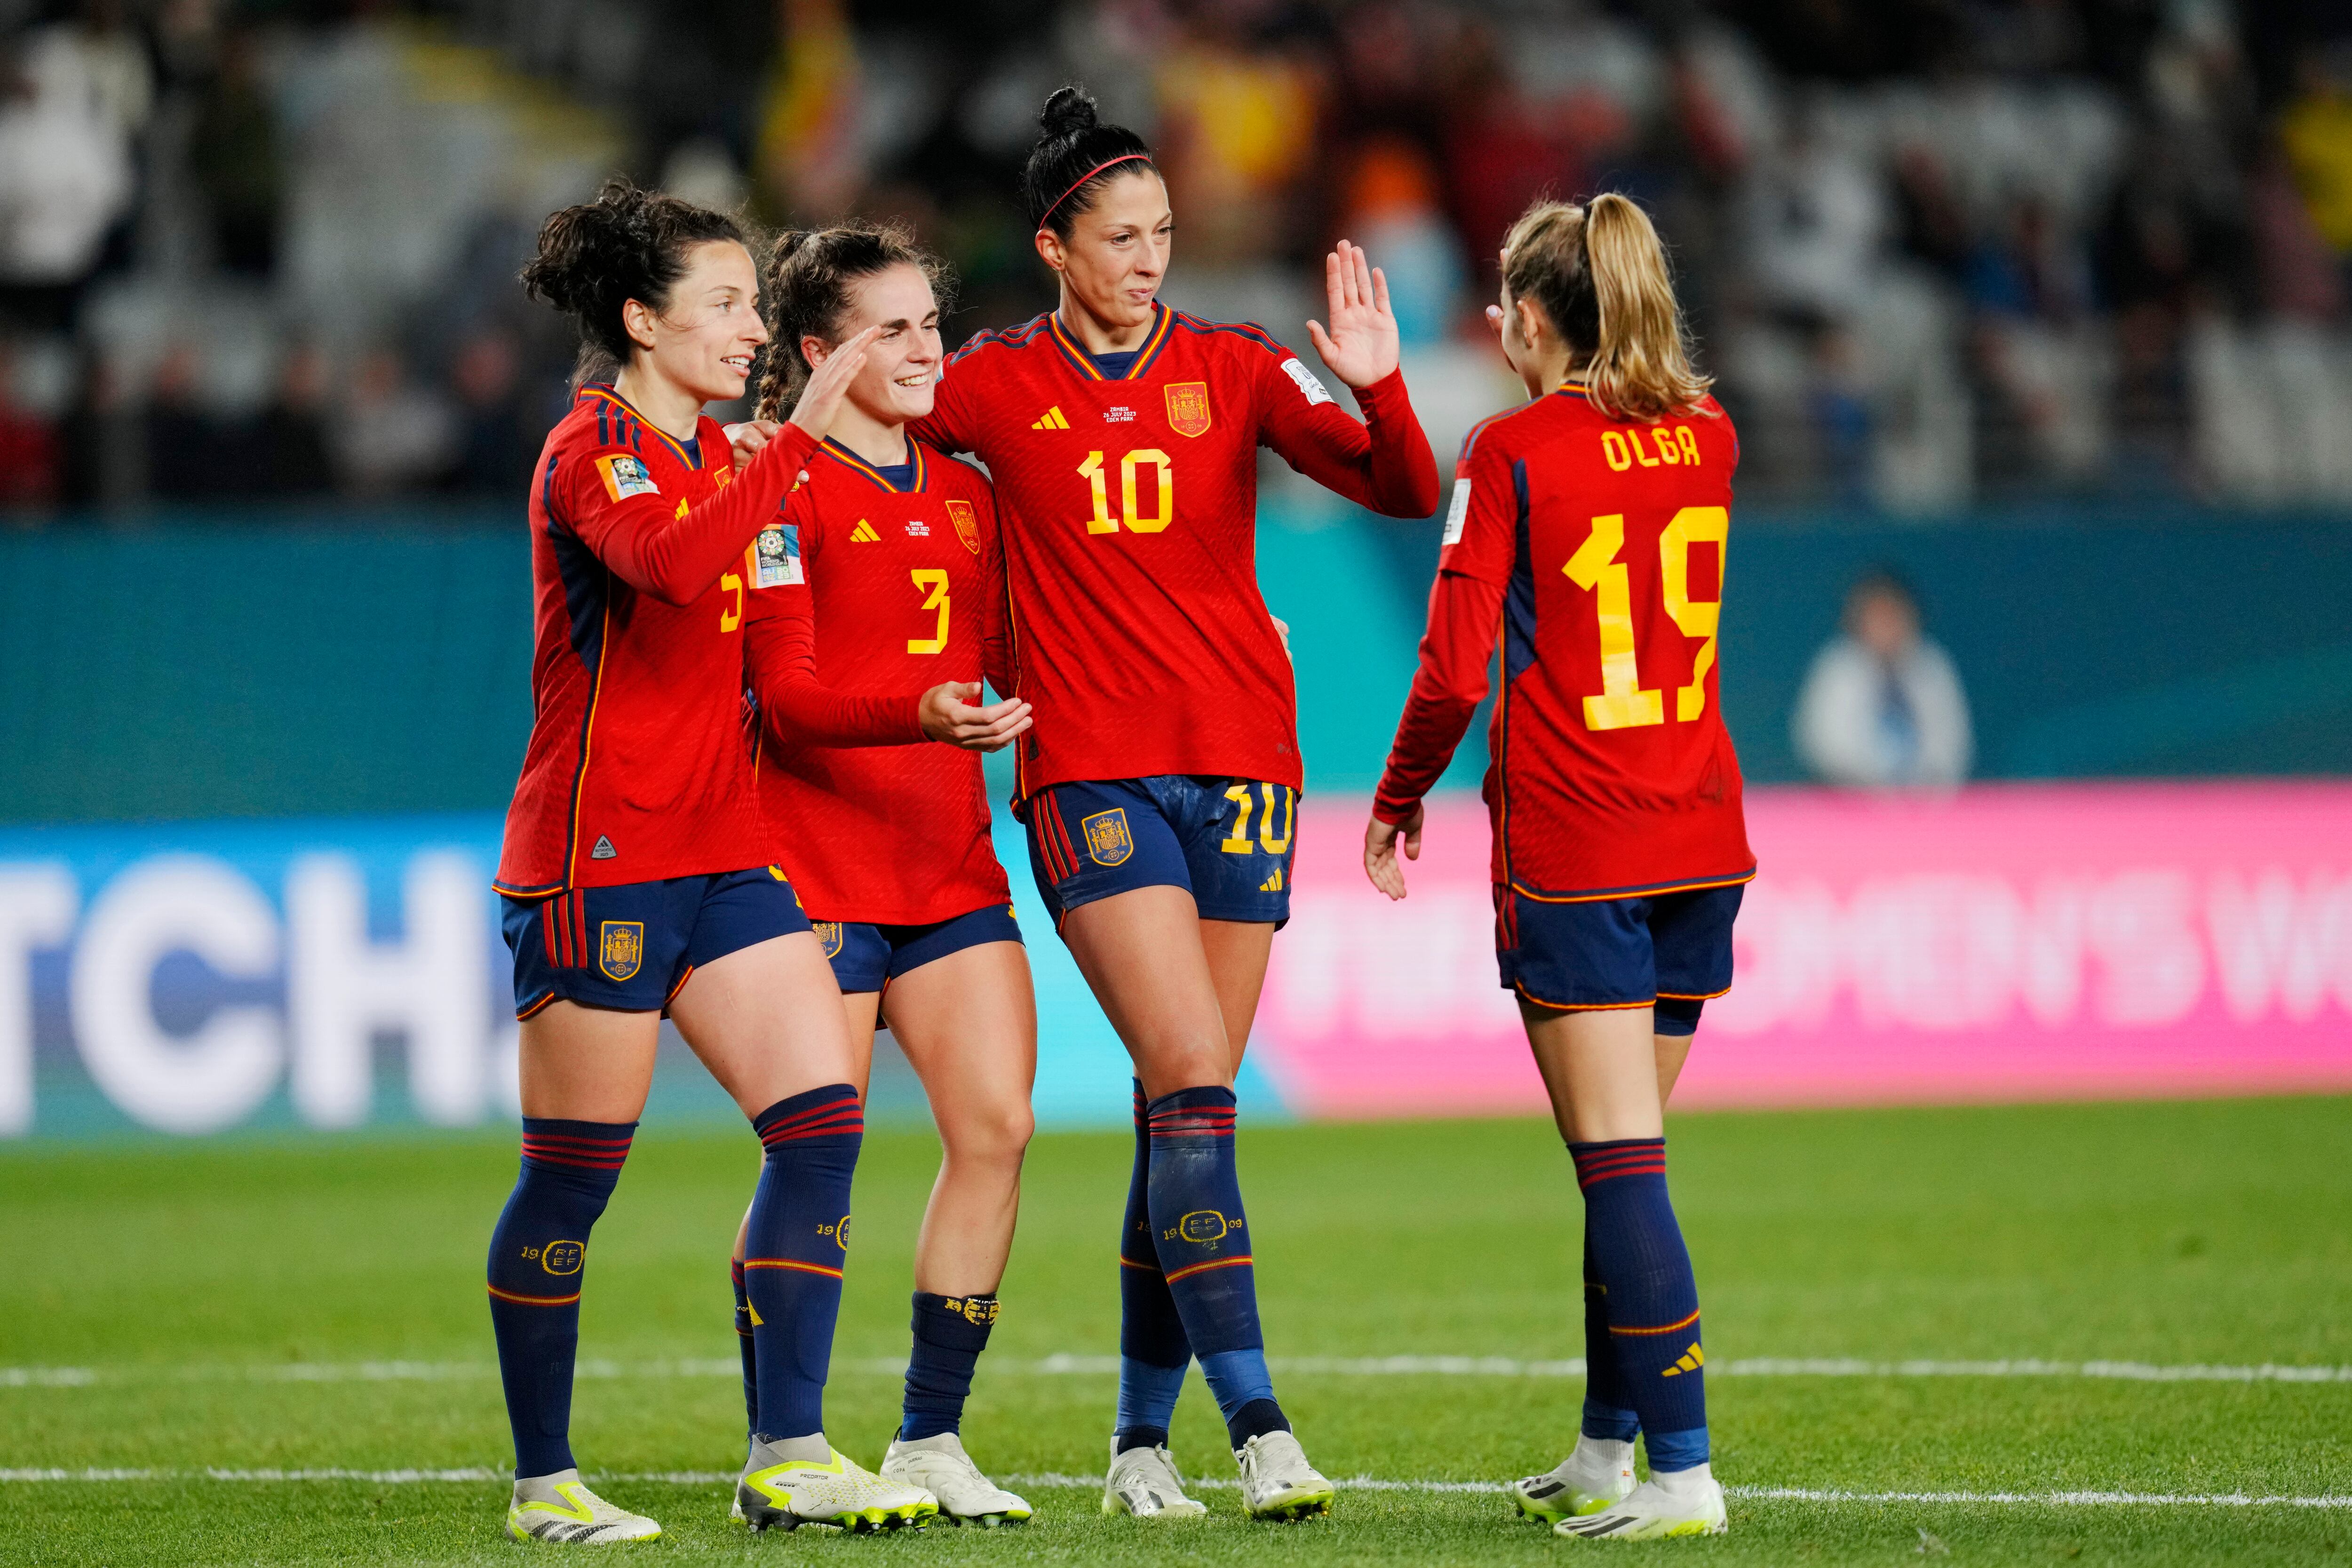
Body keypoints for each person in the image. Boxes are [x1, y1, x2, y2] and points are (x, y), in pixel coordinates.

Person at [913, 86, 1442, 1521]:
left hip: (1246, 770)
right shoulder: (986, 385)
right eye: (1121, 237)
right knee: (1197, 1083)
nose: (1149, 258)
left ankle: (1137, 1447)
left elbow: (1404, 487)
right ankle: (1259, 1423)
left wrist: (1380, 381)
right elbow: (851, 442)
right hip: (1088, 772)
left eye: (1160, 234)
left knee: (1177, 1105)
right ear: (1054, 245)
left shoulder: (1242, 365)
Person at [490, 178, 933, 1543]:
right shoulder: (595, 450)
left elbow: (772, 663)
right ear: (641, 319)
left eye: (755, 301)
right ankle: (542, 1479)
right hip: (598, 854)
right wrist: (795, 442)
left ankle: (789, 1448)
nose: (755, 328)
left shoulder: (736, 458)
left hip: (723, 851)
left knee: (823, 1123)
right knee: (575, 1175)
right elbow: (676, 570)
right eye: (726, 304)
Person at [1363, 193, 1748, 1541]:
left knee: (1618, 1161)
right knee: (1622, 1155)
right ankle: (1608, 1445)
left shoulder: (1514, 445)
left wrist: (1397, 795)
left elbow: (1455, 662)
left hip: (1581, 841)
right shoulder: (1710, 433)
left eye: (1501, 308)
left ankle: (1685, 1472)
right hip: (1700, 833)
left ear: (1531, 318)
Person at [727, 222, 1041, 1527]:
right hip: (816, 873)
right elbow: (788, 698)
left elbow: (1024, 654)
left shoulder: (967, 490)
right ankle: (783, 1444)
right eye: (892, 329)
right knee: (820, 1152)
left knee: (999, 1128)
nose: (928, 351)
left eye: (932, 325)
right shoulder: (775, 488)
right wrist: (923, 713)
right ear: (818, 351)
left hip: (950, 866)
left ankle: (928, 1438)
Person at [1791, 567, 1973, 788]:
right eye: (1877, 616)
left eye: (1894, 615)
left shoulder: (1932, 665)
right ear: (1856, 621)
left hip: (1925, 803)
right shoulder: (1837, 667)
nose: (1886, 626)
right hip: (1846, 801)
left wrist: (1919, 785)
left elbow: (1952, 745)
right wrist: (1874, 785)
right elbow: (1821, 744)